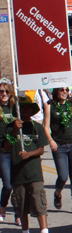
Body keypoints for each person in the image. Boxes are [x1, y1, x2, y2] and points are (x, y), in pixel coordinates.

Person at [4, 95, 59, 233]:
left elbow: (41, 148)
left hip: (34, 172)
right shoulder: (11, 127)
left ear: (32, 110)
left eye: (28, 107)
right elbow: (7, 147)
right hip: (18, 173)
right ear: (18, 111)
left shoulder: (37, 127)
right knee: (22, 206)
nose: (25, 110)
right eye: (22, 108)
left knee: (39, 203)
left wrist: (29, 154)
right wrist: (15, 129)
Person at [43, 87, 72, 215]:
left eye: (66, 89)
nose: (64, 92)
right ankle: (58, 193)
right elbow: (46, 126)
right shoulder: (50, 106)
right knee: (63, 176)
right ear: (56, 92)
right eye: (61, 90)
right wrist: (50, 140)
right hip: (58, 145)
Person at [0, 82, 21, 225]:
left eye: (7, 92)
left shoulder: (15, 108)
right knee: (8, 185)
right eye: (1, 92)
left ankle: (18, 214)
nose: (4, 95)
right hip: (2, 151)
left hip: (16, 149)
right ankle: (2, 207)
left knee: (18, 184)